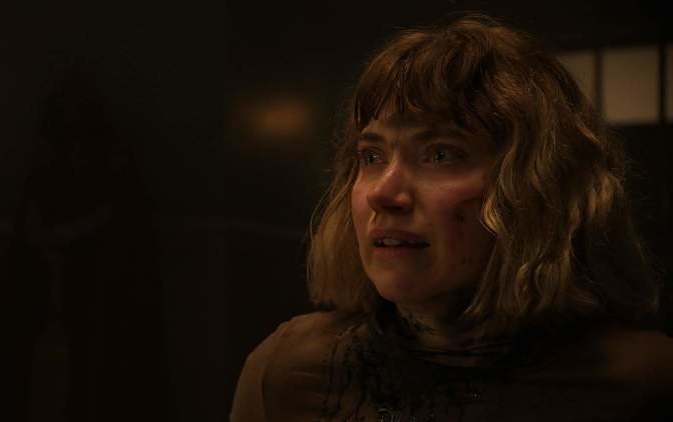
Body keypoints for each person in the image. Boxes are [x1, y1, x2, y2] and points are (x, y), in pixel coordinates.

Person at [231, 14, 673, 421]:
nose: (384, 193)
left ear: (534, 188)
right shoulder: (288, 372)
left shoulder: (645, 384)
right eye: (372, 156)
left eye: (440, 154)